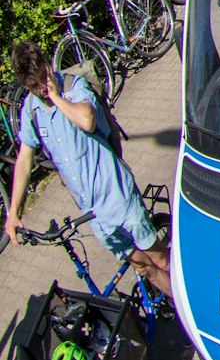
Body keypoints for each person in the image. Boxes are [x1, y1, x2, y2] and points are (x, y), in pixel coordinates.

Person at [6, 41, 170, 297]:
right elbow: (25, 160)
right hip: (95, 215)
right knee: (145, 269)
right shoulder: (31, 109)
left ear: (48, 67)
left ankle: (199, 313)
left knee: (160, 261)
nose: (40, 89)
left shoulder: (73, 87)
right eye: (33, 86)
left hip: (119, 197)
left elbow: (87, 120)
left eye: (41, 80)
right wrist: (13, 213)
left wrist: (55, 97)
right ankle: (188, 316)